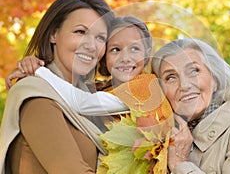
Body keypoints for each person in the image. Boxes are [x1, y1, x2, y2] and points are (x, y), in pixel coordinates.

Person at [5, 16, 174, 173]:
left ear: (146, 54)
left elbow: (81, 103)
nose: (125, 57)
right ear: (103, 57)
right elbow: (69, 89)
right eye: (115, 49)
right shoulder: (105, 89)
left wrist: (39, 72)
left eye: (135, 49)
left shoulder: (145, 85)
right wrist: (31, 66)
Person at [0, 0, 128, 174]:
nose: (91, 45)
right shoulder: (37, 97)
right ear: (53, 34)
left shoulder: (93, 100)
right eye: (80, 32)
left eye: (100, 38)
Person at [151, 38, 230, 173]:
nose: (184, 85)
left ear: (216, 78)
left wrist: (180, 164)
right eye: (171, 77)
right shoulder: (158, 139)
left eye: (193, 71)